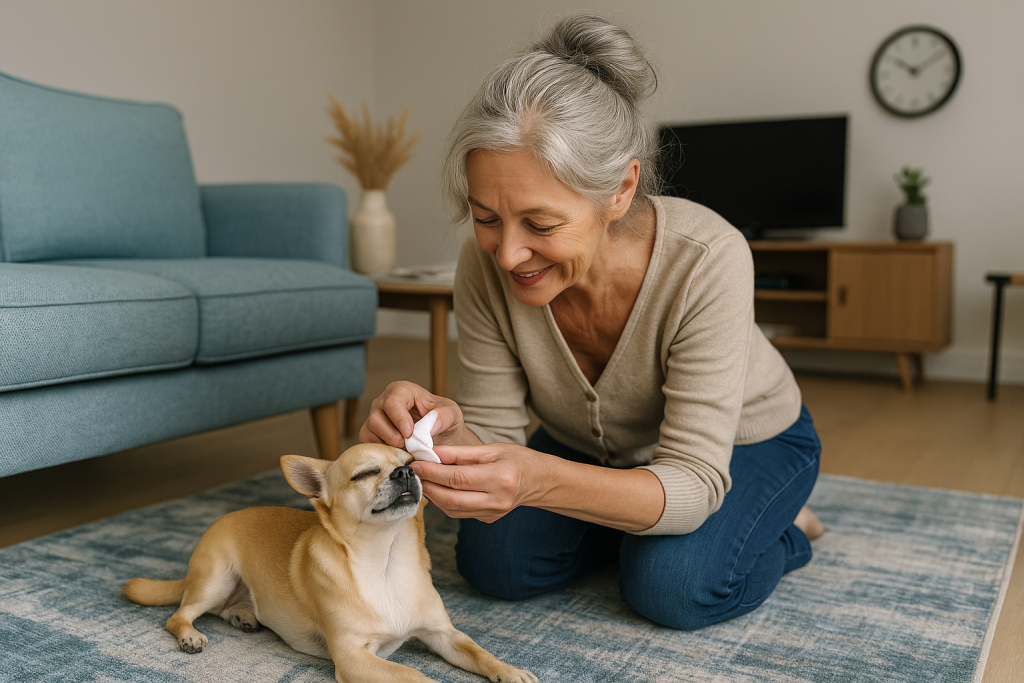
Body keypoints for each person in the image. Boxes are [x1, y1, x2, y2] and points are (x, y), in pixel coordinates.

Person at [359, 13, 824, 631]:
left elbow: (688, 482)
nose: (508, 254)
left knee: (674, 587)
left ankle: (781, 529)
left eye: (541, 225)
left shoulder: (709, 258)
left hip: (743, 443)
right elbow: (494, 442)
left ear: (621, 190)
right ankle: (630, 525)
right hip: (593, 451)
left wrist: (539, 482)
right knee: (495, 564)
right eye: (486, 217)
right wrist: (435, 431)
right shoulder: (484, 265)